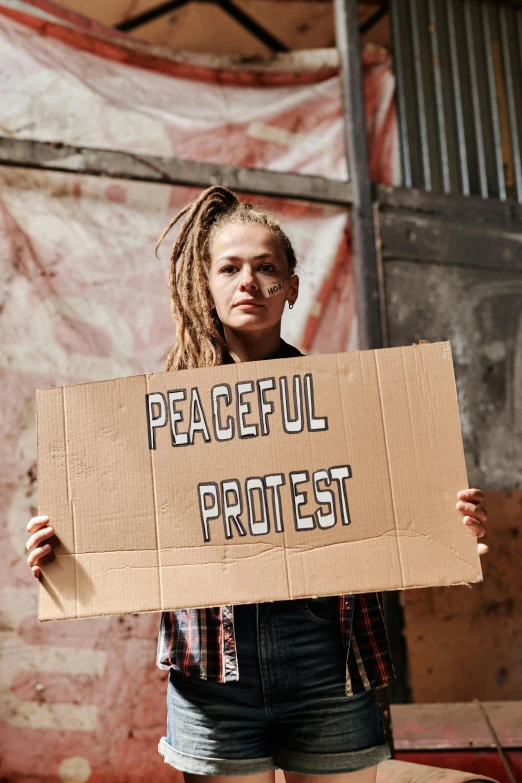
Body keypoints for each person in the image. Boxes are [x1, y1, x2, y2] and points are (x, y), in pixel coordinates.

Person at [26, 186, 489, 783]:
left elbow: (395, 509)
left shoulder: (350, 406)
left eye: (267, 268)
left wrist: (449, 524)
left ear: (291, 287)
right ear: (207, 285)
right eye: (230, 267)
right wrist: (64, 550)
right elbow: (121, 527)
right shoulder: (150, 421)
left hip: (329, 662)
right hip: (213, 673)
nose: (249, 281)